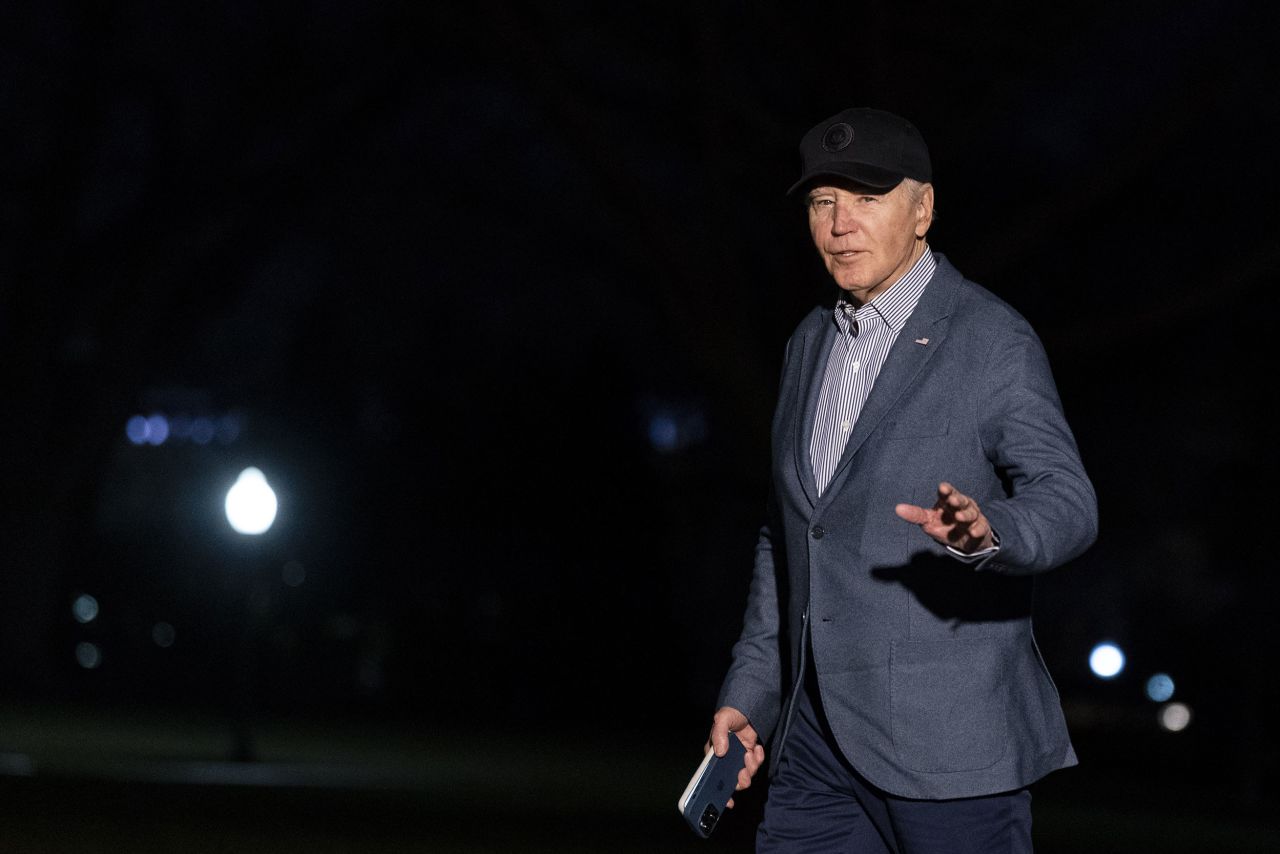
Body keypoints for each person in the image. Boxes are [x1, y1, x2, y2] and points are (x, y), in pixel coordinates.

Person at [706, 107, 1098, 853]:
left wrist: (990, 534)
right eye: (823, 203)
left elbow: (1070, 500)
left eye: (867, 198)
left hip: (949, 753)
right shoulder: (807, 343)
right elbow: (790, 532)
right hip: (814, 742)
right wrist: (751, 691)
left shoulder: (991, 339)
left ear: (922, 210)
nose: (840, 225)